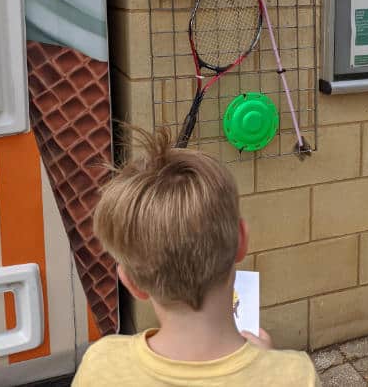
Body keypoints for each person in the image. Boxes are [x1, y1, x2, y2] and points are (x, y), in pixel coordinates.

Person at [72, 127, 321, 386]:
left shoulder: (100, 364)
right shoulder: (296, 375)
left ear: (131, 283)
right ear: (242, 240)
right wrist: (269, 364)